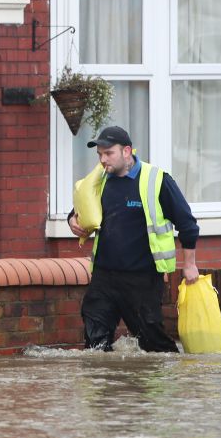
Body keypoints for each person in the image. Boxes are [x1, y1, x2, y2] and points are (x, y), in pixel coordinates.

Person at [68, 126, 200, 352]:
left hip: (142, 279)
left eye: (108, 153)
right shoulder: (100, 180)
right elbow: (80, 209)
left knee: (154, 346)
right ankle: (104, 385)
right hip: (104, 277)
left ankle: (164, 381)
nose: (103, 160)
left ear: (126, 151)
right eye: (99, 154)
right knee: (95, 344)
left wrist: (190, 264)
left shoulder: (157, 180)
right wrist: (72, 221)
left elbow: (187, 223)